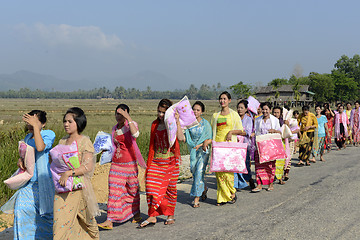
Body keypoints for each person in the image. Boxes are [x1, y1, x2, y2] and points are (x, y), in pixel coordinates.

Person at [52, 107, 100, 239]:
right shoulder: (62, 141)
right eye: (65, 121)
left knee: (87, 222)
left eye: (70, 121)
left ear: (78, 123)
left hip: (79, 189)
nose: (66, 124)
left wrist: (69, 173)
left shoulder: (85, 142)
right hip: (62, 189)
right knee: (60, 223)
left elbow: (88, 166)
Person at [138, 99, 185, 228]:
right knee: (151, 187)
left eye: (163, 112)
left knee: (170, 190)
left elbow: (181, 138)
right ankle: (152, 215)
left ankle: (170, 215)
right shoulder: (154, 124)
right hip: (156, 161)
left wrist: (177, 122)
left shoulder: (173, 124)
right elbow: (152, 144)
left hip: (170, 162)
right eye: (159, 111)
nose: (160, 115)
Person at [98, 104, 145, 230]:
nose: (118, 117)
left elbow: (136, 134)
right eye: (117, 114)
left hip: (130, 164)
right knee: (113, 191)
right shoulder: (114, 128)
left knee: (132, 190)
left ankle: (136, 213)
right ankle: (110, 219)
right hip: (116, 164)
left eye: (121, 114)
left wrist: (128, 118)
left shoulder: (131, 125)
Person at [13, 110, 55, 240]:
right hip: (29, 182)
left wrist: (36, 128)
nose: (30, 125)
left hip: (43, 182)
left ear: (43, 124)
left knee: (44, 216)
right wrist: (21, 161)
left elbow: (40, 147)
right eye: (29, 122)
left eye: (34, 122)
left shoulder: (48, 134)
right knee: (21, 209)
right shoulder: (27, 137)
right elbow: (24, 156)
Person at [210, 91, 244, 205]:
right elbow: (212, 131)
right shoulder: (215, 116)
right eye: (221, 99)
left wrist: (231, 132)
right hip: (218, 145)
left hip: (229, 146)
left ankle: (231, 193)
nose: (222, 101)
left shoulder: (234, 115)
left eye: (224, 99)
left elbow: (241, 131)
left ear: (229, 100)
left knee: (228, 172)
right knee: (219, 172)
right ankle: (221, 198)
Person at [184, 101, 212, 208]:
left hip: (203, 151)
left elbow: (210, 138)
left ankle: (196, 198)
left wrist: (201, 144)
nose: (195, 112)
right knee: (194, 171)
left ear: (202, 112)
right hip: (193, 150)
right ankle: (203, 188)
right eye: (194, 109)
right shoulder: (189, 124)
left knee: (200, 171)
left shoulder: (206, 124)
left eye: (198, 110)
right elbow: (186, 137)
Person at [252, 102, 281, 192]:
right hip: (260, 146)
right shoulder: (258, 120)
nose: (264, 111)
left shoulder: (274, 120)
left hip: (270, 147)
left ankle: (270, 183)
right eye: (263, 109)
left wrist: (274, 131)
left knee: (270, 165)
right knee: (258, 165)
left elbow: (280, 133)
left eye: (266, 109)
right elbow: (256, 131)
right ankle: (259, 184)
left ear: (270, 110)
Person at [236, 100, 256, 189]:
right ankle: (236, 184)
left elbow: (247, 132)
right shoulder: (234, 118)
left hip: (245, 145)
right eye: (238, 108)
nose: (239, 110)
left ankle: (249, 179)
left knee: (245, 164)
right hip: (235, 144)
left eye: (242, 108)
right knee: (235, 164)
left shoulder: (248, 119)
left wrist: (237, 132)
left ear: (246, 109)